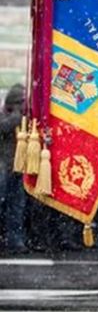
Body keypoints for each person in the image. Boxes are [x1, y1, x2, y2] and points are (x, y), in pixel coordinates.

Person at [0, 84, 28, 253]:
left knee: (16, 208)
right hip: (3, 168)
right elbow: (4, 127)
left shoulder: (24, 121)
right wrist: (17, 115)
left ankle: (15, 240)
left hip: (18, 169)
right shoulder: (5, 117)